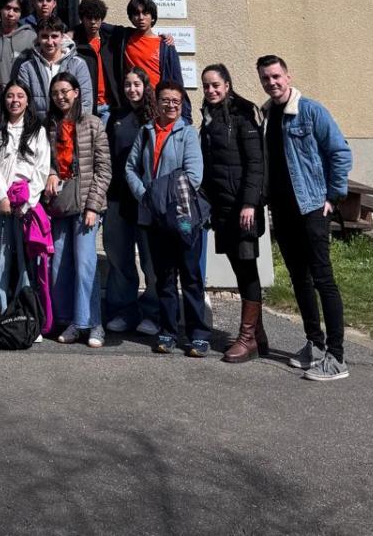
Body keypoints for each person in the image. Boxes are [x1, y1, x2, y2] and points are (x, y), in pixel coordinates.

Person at [257, 54, 352, 383]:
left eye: (276, 76)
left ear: (288, 76)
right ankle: (314, 343)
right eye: (265, 78)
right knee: (300, 279)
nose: (271, 82)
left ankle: (336, 357)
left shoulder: (310, 111)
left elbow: (339, 151)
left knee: (323, 279)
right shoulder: (267, 114)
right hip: (282, 211)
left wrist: (333, 196)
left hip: (311, 207)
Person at [126, 81, 210, 357]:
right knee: (164, 277)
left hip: (183, 216)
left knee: (191, 276)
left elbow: (194, 176)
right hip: (154, 217)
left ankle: (198, 334)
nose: (170, 105)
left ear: (181, 103)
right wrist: (145, 196)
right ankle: (168, 331)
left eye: (175, 100)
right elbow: (130, 168)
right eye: (165, 100)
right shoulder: (146, 131)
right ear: (157, 102)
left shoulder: (188, 133)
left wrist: (161, 197)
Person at [200, 63, 268, 364]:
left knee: (247, 270)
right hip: (223, 208)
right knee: (240, 271)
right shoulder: (210, 116)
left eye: (216, 84)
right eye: (206, 86)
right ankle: (259, 334)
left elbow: (256, 164)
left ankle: (247, 338)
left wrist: (250, 203)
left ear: (227, 85)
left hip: (243, 210)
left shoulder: (243, 115)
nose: (210, 90)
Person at [44, 73, 111, 347]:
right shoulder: (50, 125)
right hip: (60, 203)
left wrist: (93, 206)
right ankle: (72, 320)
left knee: (85, 265)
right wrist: (50, 172)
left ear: (76, 92)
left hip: (86, 205)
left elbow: (104, 169)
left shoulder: (92, 123)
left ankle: (94, 324)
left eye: (65, 91)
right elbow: (44, 160)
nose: (60, 96)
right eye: (55, 92)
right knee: (60, 265)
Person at [0, 80, 51, 314]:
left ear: (28, 100)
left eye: (20, 96)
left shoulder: (37, 130)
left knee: (26, 261)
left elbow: (41, 168)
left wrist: (27, 203)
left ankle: (25, 314)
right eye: (10, 96)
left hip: (25, 206)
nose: (15, 100)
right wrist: (2, 196)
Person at [103, 66, 160, 335]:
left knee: (151, 259)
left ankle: (152, 312)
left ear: (146, 86)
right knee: (118, 256)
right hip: (117, 197)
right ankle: (123, 310)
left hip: (146, 199)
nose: (132, 89)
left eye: (137, 84)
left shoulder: (155, 116)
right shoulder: (116, 116)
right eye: (127, 85)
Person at [100, 0, 191, 119]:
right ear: (131, 18)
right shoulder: (125, 37)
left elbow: (177, 81)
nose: (141, 18)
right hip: (132, 104)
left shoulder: (165, 46)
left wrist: (185, 116)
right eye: (136, 14)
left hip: (157, 106)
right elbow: (98, 24)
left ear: (152, 17)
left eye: (145, 13)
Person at [12, 18, 93, 118]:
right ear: (38, 38)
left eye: (54, 36)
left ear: (62, 37)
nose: (50, 42)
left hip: (71, 125)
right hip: (38, 125)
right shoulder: (27, 68)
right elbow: (23, 102)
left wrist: (73, 124)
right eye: (44, 36)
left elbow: (86, 102)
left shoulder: (78, 64)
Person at [72, 0, 108, 115]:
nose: (93, 22)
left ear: (101, 19)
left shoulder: (109, 41)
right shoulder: (75, 45)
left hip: (107, 105)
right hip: (85, 105)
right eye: (89, 18)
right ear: (82, 19)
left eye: (96, 18)